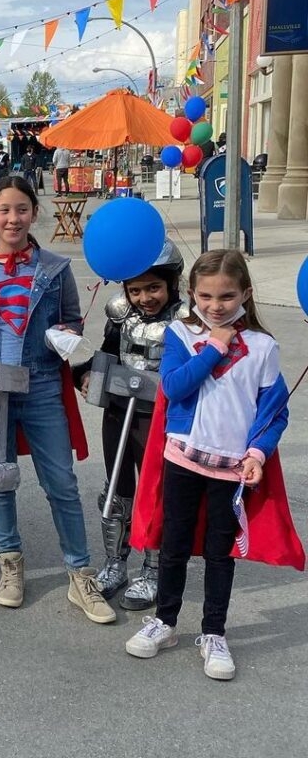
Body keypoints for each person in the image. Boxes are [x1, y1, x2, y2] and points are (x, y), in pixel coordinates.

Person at [126, 250, 302, 681]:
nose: (215, 305)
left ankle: (214, 632)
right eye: (205, 296)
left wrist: (258, 454)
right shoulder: (180, 335)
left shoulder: (263, 347)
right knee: (174, 546)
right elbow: (174, 386)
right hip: (183, 460)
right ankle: (165, 622)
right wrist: (215, 347)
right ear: (191, 294)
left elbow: (274, 412)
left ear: (246, 293)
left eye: (226, 296)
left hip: (230, 470)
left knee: (221, 553)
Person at [0, 175, 116, 624]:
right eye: (4, 210)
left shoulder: (55, 268)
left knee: (61, 483)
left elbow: (71, 323)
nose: (13, 218)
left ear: (33, 213)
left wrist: (68, 335)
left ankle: (80, 574)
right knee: (0, 480)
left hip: (42, 385)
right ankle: (10, 564)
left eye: (21, 209)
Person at [76, 240, 187, 608]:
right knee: (117, 490)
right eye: (136, 290)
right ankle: (115, 563)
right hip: (120, 410)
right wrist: (89, 375)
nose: (145, 297)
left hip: (161, 419)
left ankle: (154, 569)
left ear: (171, 283)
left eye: (153, 287)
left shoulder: (186, 319)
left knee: (156, 492)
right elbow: (108, 352)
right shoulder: (121, 314)